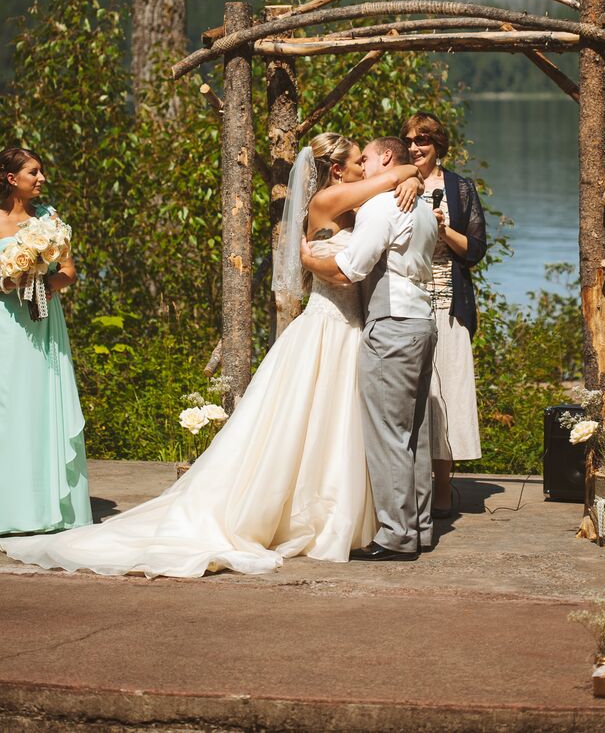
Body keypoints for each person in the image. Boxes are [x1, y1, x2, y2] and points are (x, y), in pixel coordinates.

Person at [0, 132, 421, 577]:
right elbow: (347, 261)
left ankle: (350, 513)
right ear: (337, 170)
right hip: (330, 325)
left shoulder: (355, 206)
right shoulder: (327, 201)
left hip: (352, 329)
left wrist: (405, 181)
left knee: (336, 426)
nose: (365, 170)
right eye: (358, 163)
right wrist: (408, 172)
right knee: (312, 423)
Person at [302, 136, 438, 560]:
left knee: (387, 434)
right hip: (423, 321)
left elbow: (350, 268)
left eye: (367, 157)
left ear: (385, 158)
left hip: (392, 323)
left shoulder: (381, 206)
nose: (363, 164)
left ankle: (396, 535)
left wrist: (306, 262)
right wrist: (414, 174)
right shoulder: (422, 208)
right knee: (415, 432)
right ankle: (421, 527)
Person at [0, 146, 92, 536]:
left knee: (37, 405)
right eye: (34, 173)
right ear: (11, 178)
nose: (42, 179)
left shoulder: (49, 219)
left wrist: (40, 281)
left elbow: (69, 271)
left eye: (41, 172)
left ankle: (45, 507)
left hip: (39, 324)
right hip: (4, 323)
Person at [399, 112, 486, 517]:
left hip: (449, 300)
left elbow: (475, 249)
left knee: (447, 390)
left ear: (439, 145)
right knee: (412, 394)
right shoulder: (396, 183)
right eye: (410, 140)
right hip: (406, 298)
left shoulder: (459, 187)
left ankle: (443, 486)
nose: (416, 147)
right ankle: (408, 483)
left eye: (424, 141)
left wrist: (442, 228)